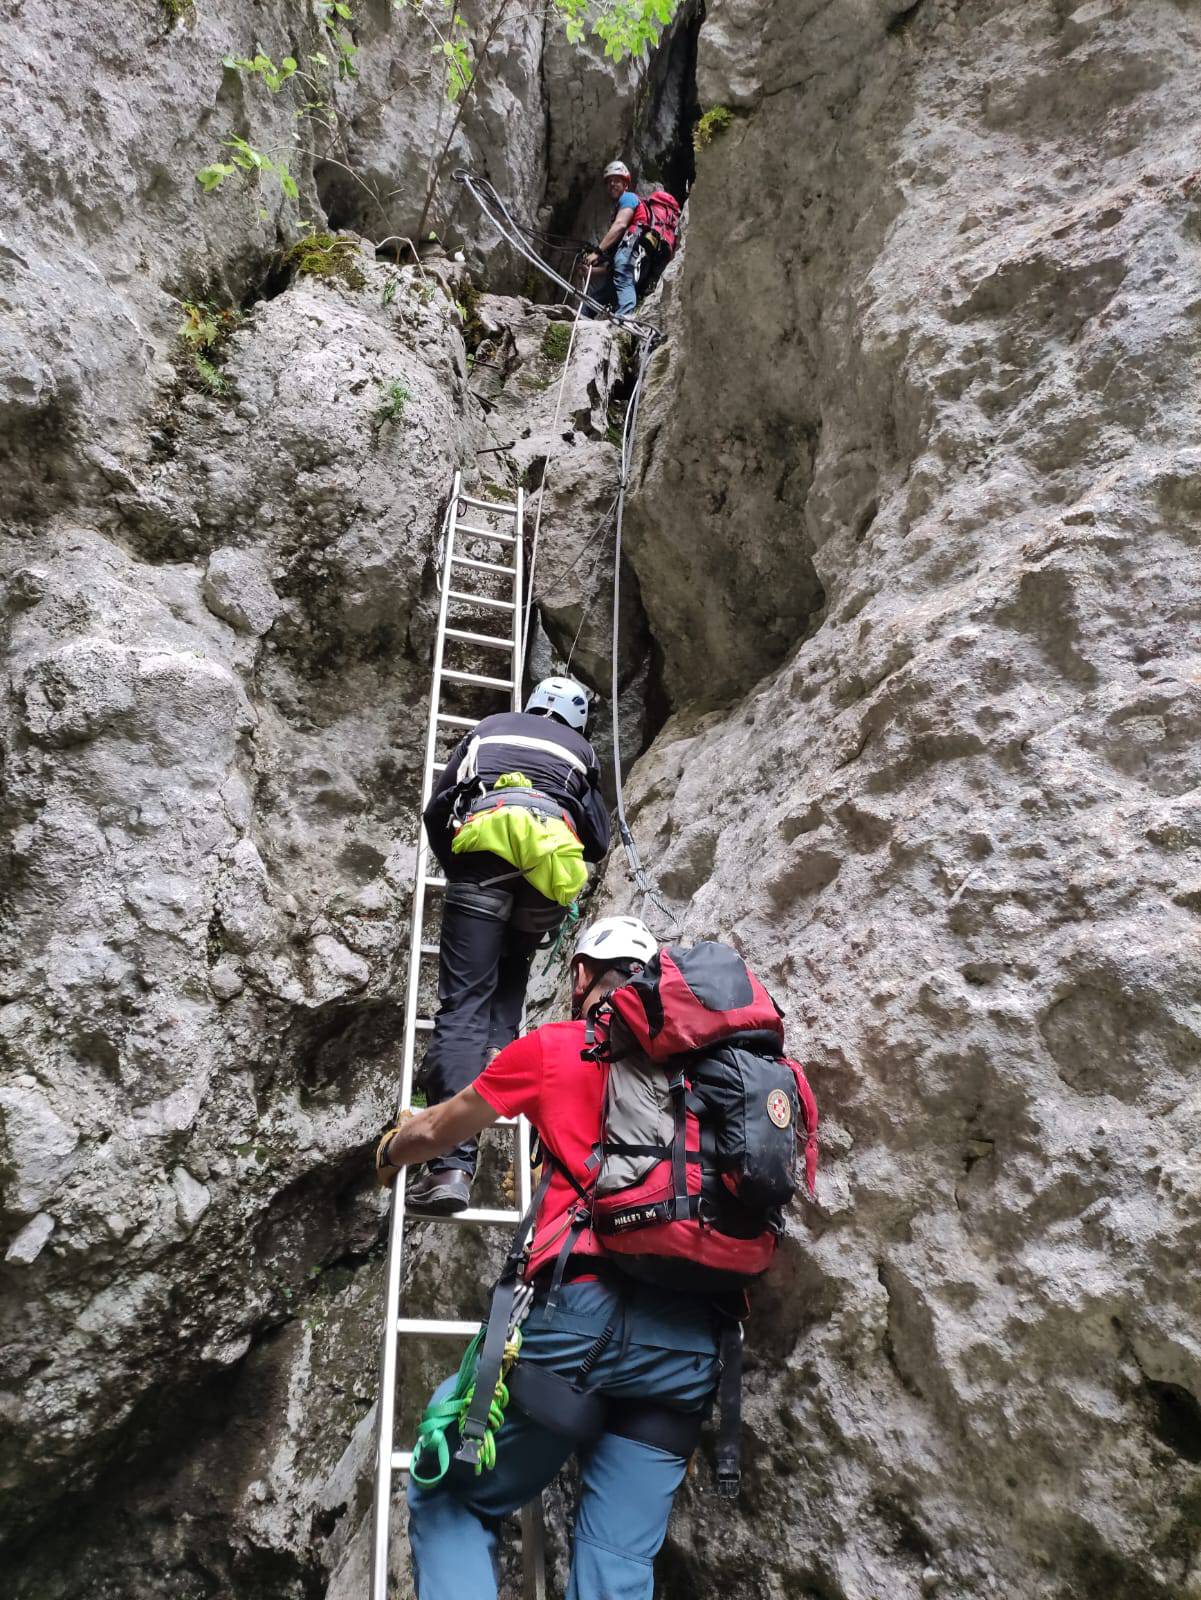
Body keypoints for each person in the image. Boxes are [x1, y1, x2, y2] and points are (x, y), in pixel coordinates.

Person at [376, 916, 725, 1600]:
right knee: (617, 1567)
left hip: (576, 1326)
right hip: (691, 1345)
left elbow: (438, 1128)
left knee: (450, 1495)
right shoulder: (712, 1068)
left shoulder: (557, 1048)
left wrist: (388, 1154)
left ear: (580, 977)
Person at [407, 676, 610, 1215]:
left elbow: (439, 807)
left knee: (464, 1004)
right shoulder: (581, 750)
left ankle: (450, 1165)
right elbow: (597, 837)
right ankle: (496, 1060)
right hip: (546, 875)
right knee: (508, 984)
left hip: (484, 859)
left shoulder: (488, 729)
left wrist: (461, 872)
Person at [585, 158, 641, 318]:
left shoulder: (628, 198)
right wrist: (591, 271)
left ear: (625, 184)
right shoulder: (620, 207)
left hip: (633, 248)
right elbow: (613, 269)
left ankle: (624, 322)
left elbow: (620, 225)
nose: (612, 185)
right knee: (597, 298)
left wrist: (597, 251)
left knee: (623, 279)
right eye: (609, 182)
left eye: (617, 181)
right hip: (630, 257)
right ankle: (580, 321)